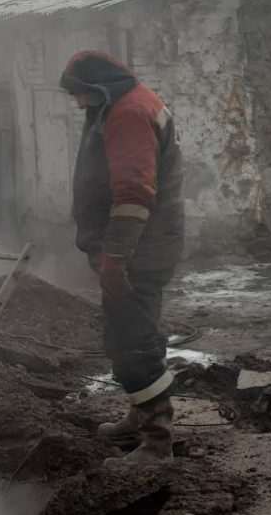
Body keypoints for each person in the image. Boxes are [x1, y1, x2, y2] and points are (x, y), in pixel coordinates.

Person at [60, 51, 185, 465]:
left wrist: (115, 256)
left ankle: (157, 442)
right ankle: (141, 417)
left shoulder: (128, 113)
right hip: (142, 246)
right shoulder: (121, 104)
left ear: (100, 87)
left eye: (81, 94)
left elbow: (133, 192)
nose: (79, 102)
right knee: (132, 333)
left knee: (133, 342)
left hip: (137, 251)